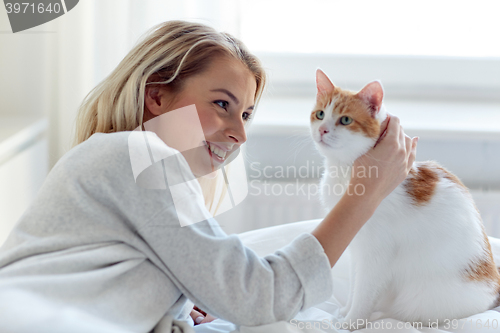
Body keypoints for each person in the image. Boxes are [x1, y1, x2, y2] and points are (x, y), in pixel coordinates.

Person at [0, 20, 417, 332]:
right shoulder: (135, 155)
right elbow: (259, 295)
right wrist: (367, 192)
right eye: (222, 104)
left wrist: (177, 306)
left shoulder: (123, 167)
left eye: (247, 115)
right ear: (158, 96)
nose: (239, 133)